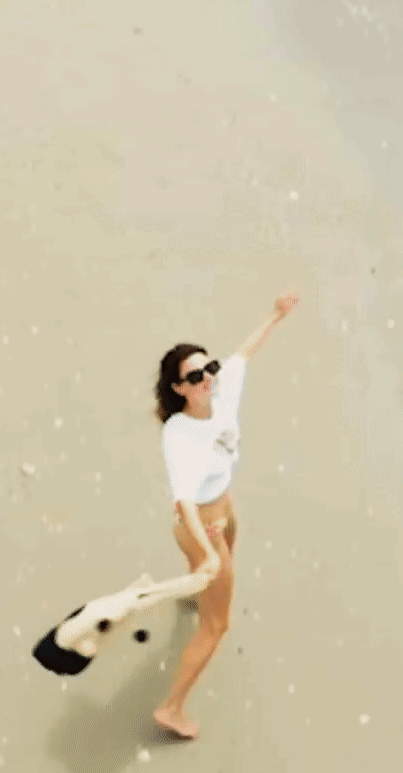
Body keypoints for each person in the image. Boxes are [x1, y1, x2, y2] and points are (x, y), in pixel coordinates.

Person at [152, 292, 300, 739]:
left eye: (208, 368)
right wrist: (209, 554)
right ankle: (171, 709)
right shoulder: (179, 435)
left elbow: (243, 353)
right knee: (216, 625)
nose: (207, 379)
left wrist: (275, 315)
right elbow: (184, 503)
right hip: (199, 526)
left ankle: (194, 590)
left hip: (222, 505)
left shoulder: (222, 385)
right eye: (194, 377)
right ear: (179, 389)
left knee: (231, 541)